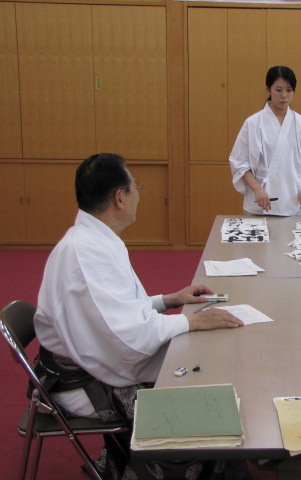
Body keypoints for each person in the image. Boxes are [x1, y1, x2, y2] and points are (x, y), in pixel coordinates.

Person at [34, 153, 245, 479]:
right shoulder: (86, 250)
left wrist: (168, 300)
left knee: (201, 363)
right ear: (120, 197)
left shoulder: (94, 238)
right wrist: (189, 321)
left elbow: (115, 312)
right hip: (85, 381)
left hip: (96, 355)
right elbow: (124, 335)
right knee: (197, 387)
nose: (138, 193)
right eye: (136, 186)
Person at [229, 65, 301, 216]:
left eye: (289, 90)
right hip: (259, 202)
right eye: (278, 90)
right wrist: (257, 189)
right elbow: (240, 162)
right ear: (268, 89)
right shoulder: (253, 123)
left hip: (292, 201)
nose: (284, 95)